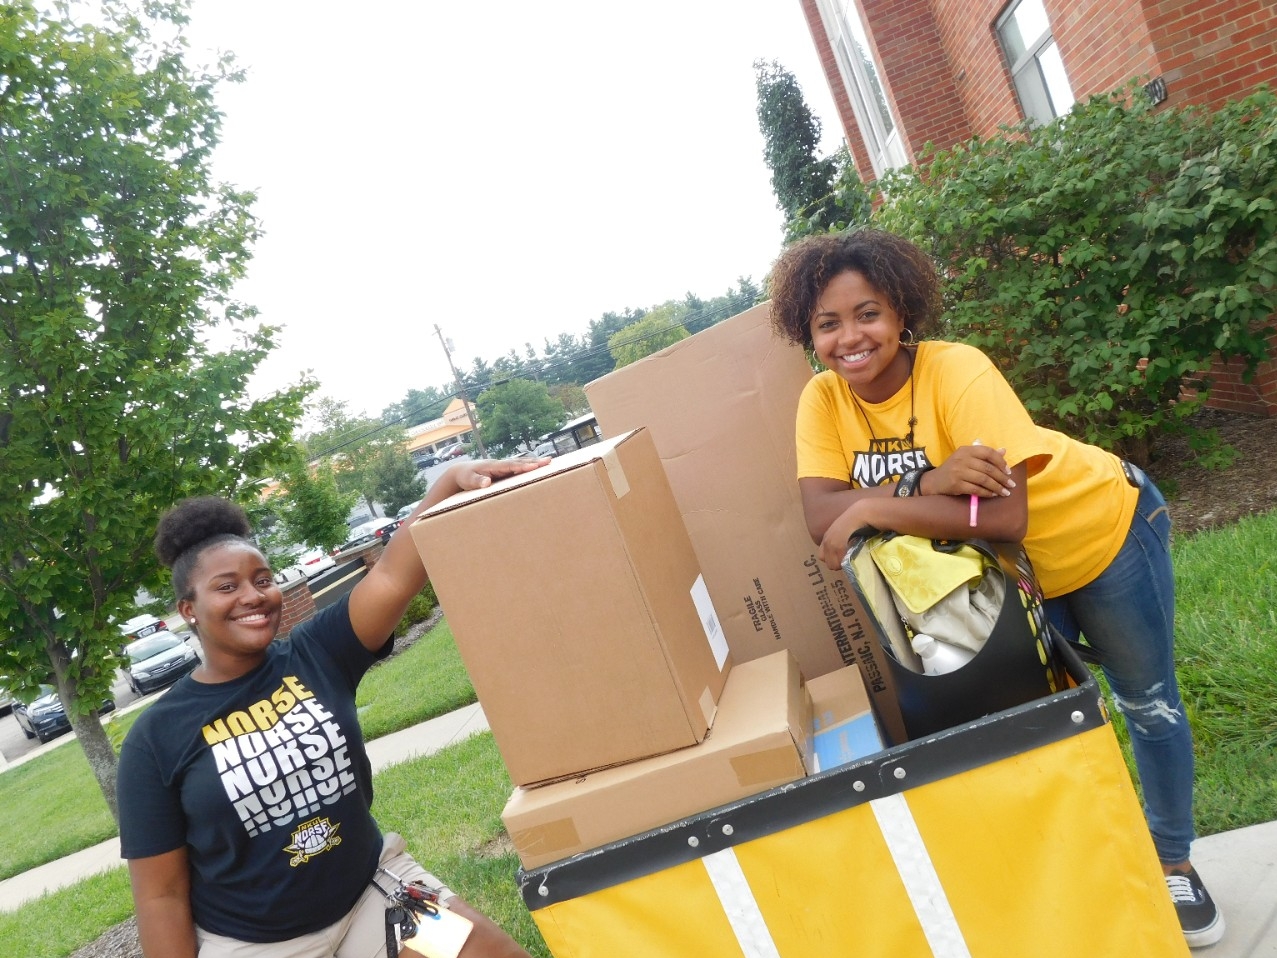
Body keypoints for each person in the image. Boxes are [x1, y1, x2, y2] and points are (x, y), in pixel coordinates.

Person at [768, 227, 1223, 949]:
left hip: (1099, 536)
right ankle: (1094, 866)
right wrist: (924, 481)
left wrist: (870, 501)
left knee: (1146, 703)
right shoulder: (822, 402)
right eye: (828, 323)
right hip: (1002, 578)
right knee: (1042, 722)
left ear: (902, 313)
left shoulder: (957, 372)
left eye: (868, 313)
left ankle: (1171, 860)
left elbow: (1005, 514)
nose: (850, 337)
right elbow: (818, 517)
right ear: (806, 330)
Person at [118, 459, 545, 958]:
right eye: (227, 586)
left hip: (372, 898)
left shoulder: (317, 653)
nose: (253, 596)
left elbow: (390, 574)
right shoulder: (155, 740)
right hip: (258, 945)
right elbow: (160, 895)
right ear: (188, 609)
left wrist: (448, 482)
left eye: (262, 578)